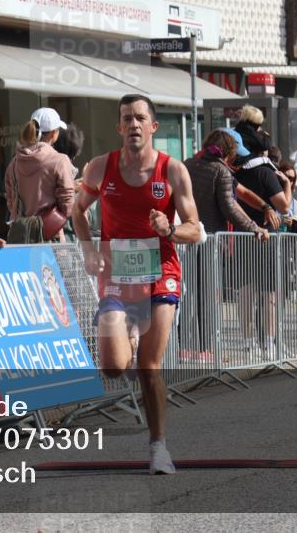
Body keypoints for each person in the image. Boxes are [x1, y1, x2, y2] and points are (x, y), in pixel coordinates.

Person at [71, 94, 201, 475]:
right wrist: (88, 249)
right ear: (118, 127)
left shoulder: (173, 171)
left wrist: (172, 229)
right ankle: (126, 336)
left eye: (140, 118)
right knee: (112, 367)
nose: (133, 125)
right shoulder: (100, 167)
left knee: (149, 365)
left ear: (153, 127)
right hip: (116, 277)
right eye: (126, 118)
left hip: (162, 273)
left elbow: (196, 230)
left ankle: (158, 447)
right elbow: (78, 211)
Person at [184, 128, 268, 362]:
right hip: (209, 240)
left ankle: (185, 347)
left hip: (185, 237)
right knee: (208, 296)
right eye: (233, 154)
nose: (233, 159)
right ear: (227, 152)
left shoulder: (189, 164)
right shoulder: (220, 171)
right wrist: (254, 228)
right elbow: (230, 207)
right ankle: (206, 349)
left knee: (189, 295)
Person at [5, 107, 75, 243]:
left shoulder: (14, 162)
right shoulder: (60, 160)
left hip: (21, 237)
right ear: (54, 133)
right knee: (52, 265)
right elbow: (68, 205)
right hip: (50, 235)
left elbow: (11, 200)